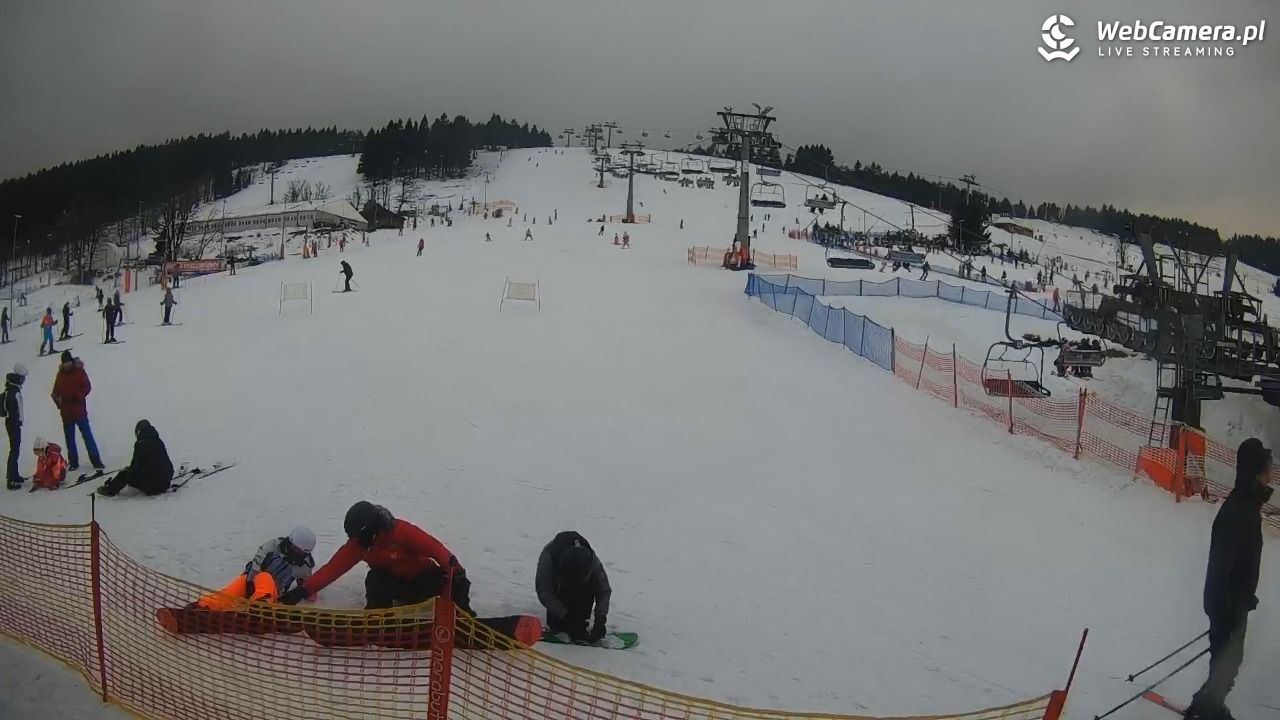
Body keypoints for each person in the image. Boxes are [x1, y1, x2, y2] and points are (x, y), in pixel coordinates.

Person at [1185, 438, 1272, 720]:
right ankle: (1207, 711)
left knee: (1225, 662)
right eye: (1266, 470)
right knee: (1228, 663)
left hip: (1233, 601)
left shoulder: (1247, 505)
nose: (1270, 475)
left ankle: (1205, 706)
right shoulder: (1239, 511)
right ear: (1254, 473)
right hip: (1227, 603)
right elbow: (1223, 565)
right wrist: (1228, 608)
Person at [279, 501, 472, 612]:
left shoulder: (400, 531)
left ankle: (464, 619)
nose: (355, 540)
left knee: (451, 578)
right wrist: (302, 591)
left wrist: (458, 574)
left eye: (358, 536)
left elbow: (436, 549)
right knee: (375, 578)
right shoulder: (358, 545)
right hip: (398, 589)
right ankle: (378, 620)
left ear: (371, 529)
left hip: (425, 582)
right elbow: (332, 569)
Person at [197, 527, 317, 611]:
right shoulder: (272, 546)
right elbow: (256, 566)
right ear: (290, 543)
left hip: (273, 593)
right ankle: (202, 607)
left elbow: (307, 585)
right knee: (230, 593)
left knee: (266, 578)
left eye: (301, 553)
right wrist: (249, 584)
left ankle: (261, 606)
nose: (297, 554)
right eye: (295, 549)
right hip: (251, 580)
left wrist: (300, 594)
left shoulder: (304, 565)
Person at [536, 531, 611, 643]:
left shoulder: (592, 561)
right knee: (558, 623)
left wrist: (600, 619)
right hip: (560, 585)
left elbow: (603, 590)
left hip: (582, 583)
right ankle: (562, 621)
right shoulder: (548, 558)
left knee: (580, 613)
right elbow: (544, 592)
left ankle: (579, 620)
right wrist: (564, 615)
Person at [51, 351, 105, 472]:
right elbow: (55, 393)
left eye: (68, 362)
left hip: (79, 411)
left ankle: (96, 460)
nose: (67, 365)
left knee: (87, 436)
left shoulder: (79, 371)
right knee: (70, 439)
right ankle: (73, 462)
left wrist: (78, 396)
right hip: (66, 413)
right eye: (65, 363)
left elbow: (87, 387)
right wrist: (59, 403)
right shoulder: (60, 375)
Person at [98, 420, 173, 496]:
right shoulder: (159, 442)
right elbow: (168, 465)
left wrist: (128, 471)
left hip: (153, 487)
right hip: (165, 484)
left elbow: (135, 468)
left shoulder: (140, 444)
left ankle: (110, 490)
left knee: (124, 474)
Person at [4, 364, 28, 489]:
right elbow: (15, 408)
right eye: (23, 377)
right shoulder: (14, 391)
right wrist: (18, 420)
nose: (24, 380)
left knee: (15, 449)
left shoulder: (12, 388)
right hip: (13, 423)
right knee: (14, 450)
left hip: (12, 423)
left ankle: (15, 474)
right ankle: (11, 478)